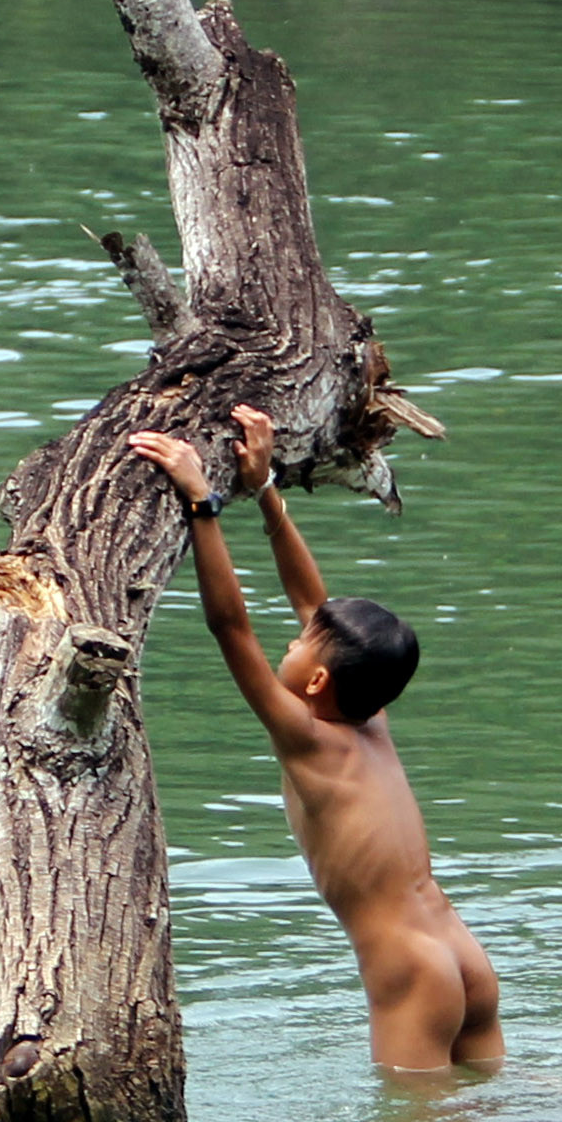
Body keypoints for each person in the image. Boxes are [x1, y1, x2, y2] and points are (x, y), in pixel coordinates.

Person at [126, 403, 503, 1071]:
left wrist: (203, 503)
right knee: (481, 1115)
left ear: (316, 679)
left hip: (410, 970)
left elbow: (230, 626)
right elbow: (314, 602)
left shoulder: (305, 739)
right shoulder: (370, 717)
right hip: (459, 948)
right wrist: (265, 488)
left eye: (301, 642)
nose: (293, 636)